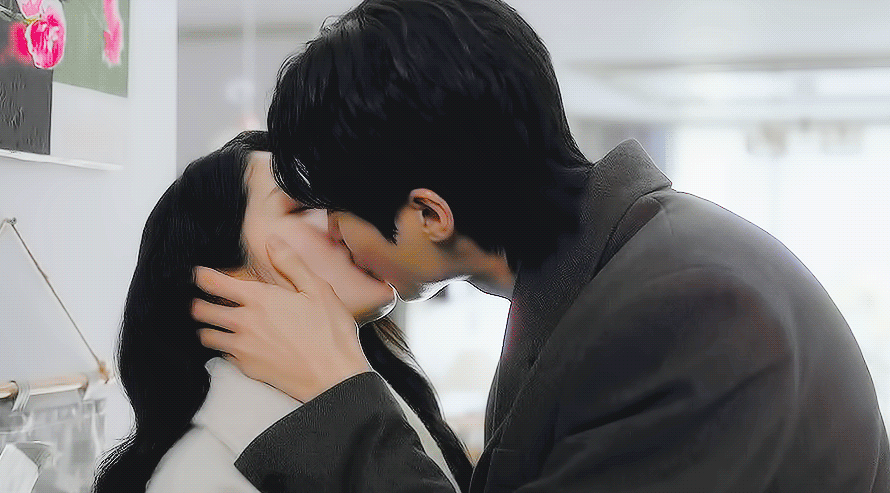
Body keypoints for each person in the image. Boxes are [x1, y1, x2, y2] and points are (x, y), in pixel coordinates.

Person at [190, 0, 890, 491]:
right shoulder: (592, 281)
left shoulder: (692, 307)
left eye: (338, 211)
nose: (333, 236)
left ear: (429, 213)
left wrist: (336, 388)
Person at [91, 131, 470, 492]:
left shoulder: (382, 395)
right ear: (220, 283)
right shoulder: (200, 478)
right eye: (303, 205)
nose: (344, 220)